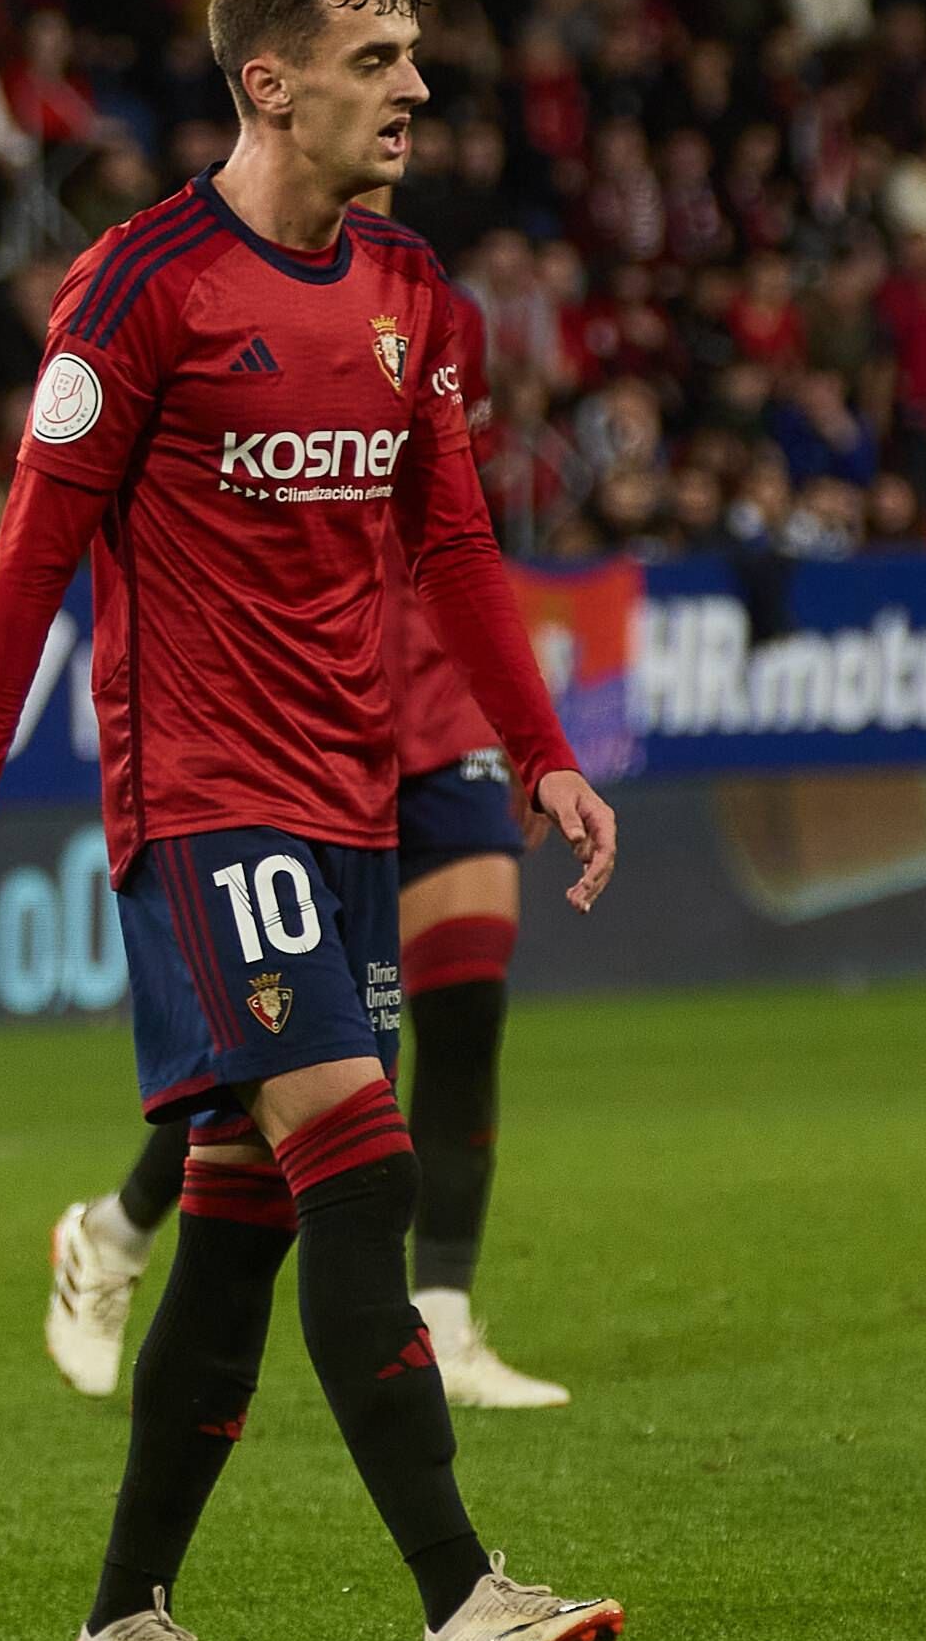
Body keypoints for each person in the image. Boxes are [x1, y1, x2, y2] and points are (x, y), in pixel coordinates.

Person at [0, 0, 625, 1641]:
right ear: (266, 84)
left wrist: (537, 750)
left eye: (415, 60)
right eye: (376, 63)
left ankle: (122, 1616)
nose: (415, 90)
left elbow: (447, 538)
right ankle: (463, 1594)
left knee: (239, 1209)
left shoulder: (408, 297)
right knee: (353, 1159)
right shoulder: (138, 289)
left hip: (349, 809)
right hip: (206, 806)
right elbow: (27, 570)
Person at [46, 300, 573, 1412]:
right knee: (310, 1056)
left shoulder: (438, 309)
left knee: (467, 1011)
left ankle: (446, 1320)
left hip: (436, 695)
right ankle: (113, 1232)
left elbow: (457, 524)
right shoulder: (211, 289)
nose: (405, 115)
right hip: (302, 712)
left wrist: (533, 738)